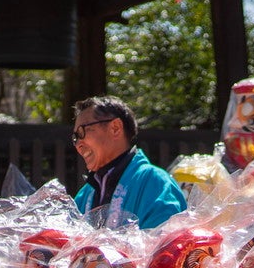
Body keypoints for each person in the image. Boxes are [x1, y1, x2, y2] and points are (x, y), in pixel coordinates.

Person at [70, 96, 187, 230]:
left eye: (82, 132)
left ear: (115, 128)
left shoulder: (156, 182)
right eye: (75, 138)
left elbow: (164, 245)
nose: (78, 144)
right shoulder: (84, 195)